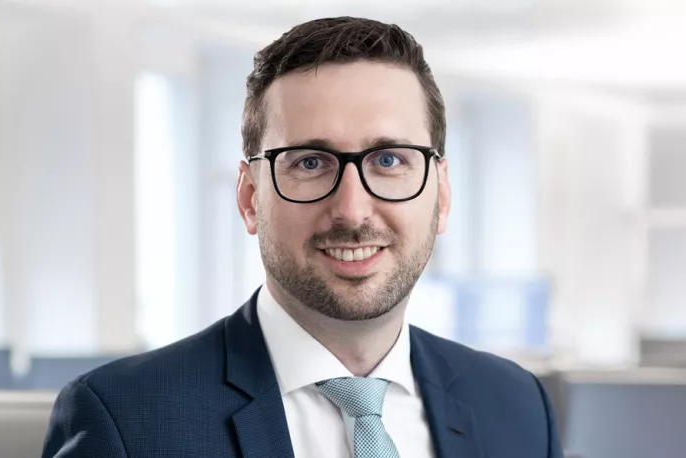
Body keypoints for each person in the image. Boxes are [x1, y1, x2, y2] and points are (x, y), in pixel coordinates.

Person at [43, 16, 563, 458]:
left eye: (389, 160)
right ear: (250, 197)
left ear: (441, 194)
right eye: (310, 163)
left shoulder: (516, 406)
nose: (352, 210)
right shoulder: (128, 421)